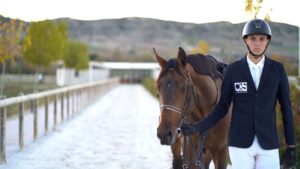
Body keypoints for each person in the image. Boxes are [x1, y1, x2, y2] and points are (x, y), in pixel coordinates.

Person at [181, 19, 296, 169]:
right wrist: (198, 127)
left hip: (268, 144)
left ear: (267, 41)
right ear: (246, 41)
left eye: (262, 39)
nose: (257, 43)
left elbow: (286, 109)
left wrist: (291, 146)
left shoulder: (278, 70)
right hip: (240, 145)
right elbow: (221, 108)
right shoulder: (233, 70)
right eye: (253, 38)